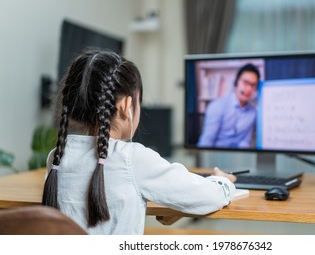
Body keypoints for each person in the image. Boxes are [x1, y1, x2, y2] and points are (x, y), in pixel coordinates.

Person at [41, 48, 236, 235]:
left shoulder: (56, 158)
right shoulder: (133, 159)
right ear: (127, 105)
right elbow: (206, 197)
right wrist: (222, 181)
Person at [197, 63, 260, 148]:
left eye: (253, 85)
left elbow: (245, 141)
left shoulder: (253, 112)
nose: (249, 89)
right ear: (236, 82)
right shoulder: (217, 107)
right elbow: (206, 142)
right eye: (246, 82)